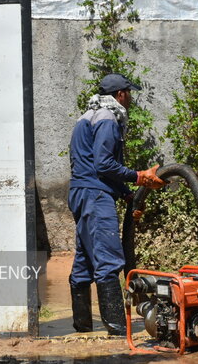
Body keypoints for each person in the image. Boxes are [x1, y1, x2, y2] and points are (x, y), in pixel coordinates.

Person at [68, 73, 166, 336]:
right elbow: (103, 164)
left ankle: (83, 327)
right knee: (109, 260)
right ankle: (116, 329)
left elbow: (92, 165)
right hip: (95, 197)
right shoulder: (108, 119)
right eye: (129, 93)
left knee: (85, 261)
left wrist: (125, 193)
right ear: (121, 94)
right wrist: (138, 177)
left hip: (81, 192)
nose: (131, 98)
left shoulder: (87, 116)